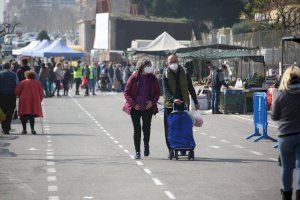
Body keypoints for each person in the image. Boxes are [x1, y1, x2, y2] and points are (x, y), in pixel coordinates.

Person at [162, 54, 200, 158]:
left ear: (178, 61)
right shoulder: (165, 73)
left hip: (183, 105)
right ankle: (171, 149)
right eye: (171, 62)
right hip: (170, 105)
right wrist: (173, 99)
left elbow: (191, 88)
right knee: (169, 128)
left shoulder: (185, 72)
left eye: (175, 61)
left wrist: (196, 102)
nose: (173, 64)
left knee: (184, 127)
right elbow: (165, 90)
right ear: (168, 63)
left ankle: (183, 147)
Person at [271, 66, 300, 200]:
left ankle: (286, 194)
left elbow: (275, 116)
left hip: (285, 136)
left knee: (286, 168)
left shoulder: (281, 95)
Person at [123, 59, 160, 159]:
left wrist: (152, 102)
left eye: (149, 65)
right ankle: (137, 151)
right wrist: (133, 104)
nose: (149, 67)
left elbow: (157, 93)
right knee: (137, 130)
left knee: (146, 128)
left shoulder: (152, 78)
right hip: (135, 108)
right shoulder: (134, 77)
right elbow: (126, 92)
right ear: (141, 67)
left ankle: (146, 145)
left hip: (148, 107)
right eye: (147, 65)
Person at [16, 70, 44, 134]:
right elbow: (41, 93)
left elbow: (17, 91)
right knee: (32, 114)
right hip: (34, 100)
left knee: (23, 115)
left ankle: (24, 129)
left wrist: (18, 95)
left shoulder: (23, 82)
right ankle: (32, 129)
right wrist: (40, 100)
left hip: (24, 100)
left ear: (26, 75)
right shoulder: (38, 83)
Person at [0, 62, 19, 134]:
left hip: (1, 95)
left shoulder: (0, 74)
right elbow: (17, 84)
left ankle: (4, 126)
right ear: (9, 67)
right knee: (10, 112)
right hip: (11, 96)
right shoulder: (13, 74)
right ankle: (7, 127)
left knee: (2, 111)